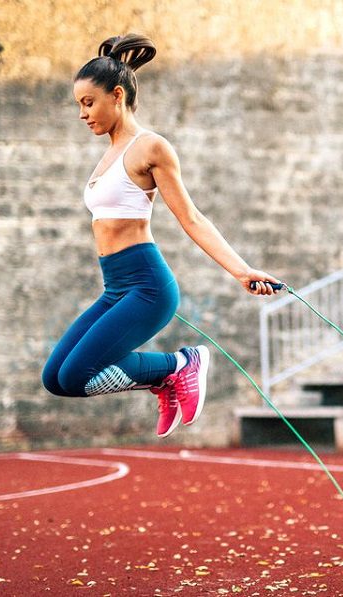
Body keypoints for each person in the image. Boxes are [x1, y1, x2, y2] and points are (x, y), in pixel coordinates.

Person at [42, 33, 282, 438]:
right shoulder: (108, 154)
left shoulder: (150, 147)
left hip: (147, 288)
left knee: (81, 374)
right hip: (115, 287)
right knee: (57, 379)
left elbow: (191, 217)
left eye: (88, 103)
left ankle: (180, 366)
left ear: (116, 95)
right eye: (78, 105)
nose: (82, 114)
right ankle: (165, 380)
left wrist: (242, 271)